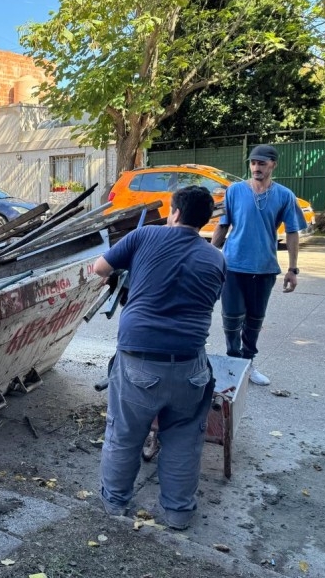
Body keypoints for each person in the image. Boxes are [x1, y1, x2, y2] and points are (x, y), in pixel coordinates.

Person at [93, 185, 225, 530]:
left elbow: (99, 268)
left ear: (176, 213)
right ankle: (178, 515)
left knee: (124, 433)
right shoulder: (216, 258)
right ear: (204, 220)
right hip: (189, 366)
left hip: (138, 361)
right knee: (183, 439)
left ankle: (113, 507)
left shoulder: (146, 235)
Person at [211, 144, 307, 386]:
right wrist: (211, 257)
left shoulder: (284, 195)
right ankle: (233, 362)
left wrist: (293, 269)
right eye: (253, 163)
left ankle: (248, 363)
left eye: (262, 163)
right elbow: (222, 225)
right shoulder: (234, 191)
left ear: (273, 164)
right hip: (232, 266)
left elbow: (293, 232)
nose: (256, 167)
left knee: (254, 321)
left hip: (264, 268)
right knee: (231, 319)